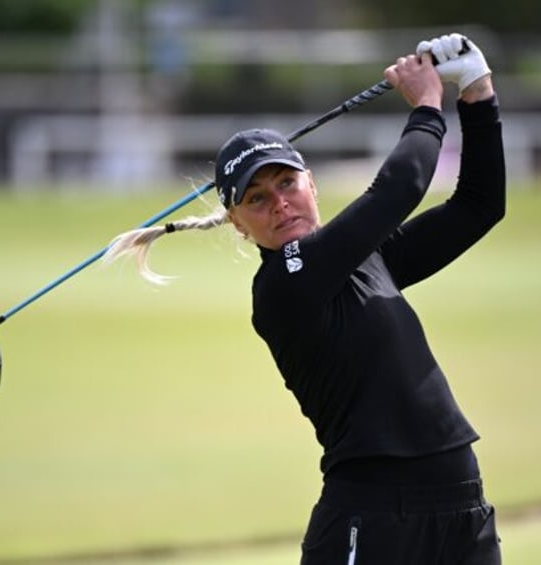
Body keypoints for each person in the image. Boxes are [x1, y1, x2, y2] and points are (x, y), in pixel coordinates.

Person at [105, 32, 505, 564]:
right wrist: (428, 102)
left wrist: (477, 92)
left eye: (287, 184)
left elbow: (480, 205)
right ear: (239, 226)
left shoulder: (370, 257)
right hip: (373, 514)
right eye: (256, 198)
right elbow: (399, 187)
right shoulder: (283, 287)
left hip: (461, 500)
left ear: (311, 185)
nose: (279, 203)